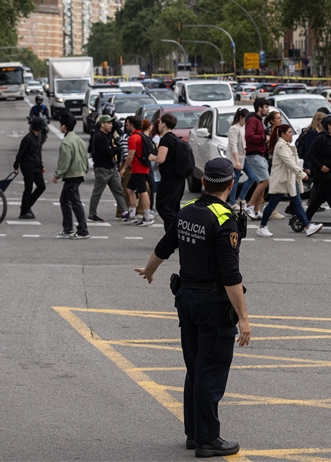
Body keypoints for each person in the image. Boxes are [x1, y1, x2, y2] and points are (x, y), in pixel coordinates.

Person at [134, 158, 251, 458]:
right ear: (230, 184)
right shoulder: (224, 220)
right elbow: (230, 275)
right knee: (210, 371)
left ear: (202, 182)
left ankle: (193, 433)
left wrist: (150, 270)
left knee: (196, 367)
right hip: (212, 304)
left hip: (186, 299)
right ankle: (208, 439)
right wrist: (244, 319)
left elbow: (165, 245)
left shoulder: (187, 211)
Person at [257, 125, 322, 238]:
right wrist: (301, 174)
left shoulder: (285, 145)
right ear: (283, 134)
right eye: (289, 132)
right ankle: (262, 227)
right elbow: (289, 163)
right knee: (273, 203)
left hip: (288, 179)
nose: (291, 134)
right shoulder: (281, 146)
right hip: (281, 180)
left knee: (297, 202)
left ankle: (307, 227)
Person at [52, 113, 90, 239]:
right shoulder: (79, 140)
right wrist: (84, 171)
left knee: (75, 202)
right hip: (79, 174)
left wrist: (57, 175)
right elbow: (85, 158)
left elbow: (64, 162)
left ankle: (83, 230)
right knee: (65, 200)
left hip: (71, 175)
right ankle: (68, 228)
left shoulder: (66, 142)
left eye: (60, 124)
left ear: (64, 126)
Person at [305, 114, 331, 221]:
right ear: (329, 126)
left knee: (320, 196)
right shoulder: (321, 138)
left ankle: (305, 218)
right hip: (324, 173)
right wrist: (320, 166)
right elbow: (311, 154)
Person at [88, 114, 128, 223]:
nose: (111, 125)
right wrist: (113, 148)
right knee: (98, 192)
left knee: (118, 190)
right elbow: (108, 152)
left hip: (112, 168)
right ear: (102, 124)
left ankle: (124, 212)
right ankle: (92, 213)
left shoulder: (110, 136)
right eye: (108, 123)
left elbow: (118, 148)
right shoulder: (99, 137)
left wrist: (114, 148)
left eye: (111, 123)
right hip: (102, 168)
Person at [149, 113, 184, 231]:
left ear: (163, 124)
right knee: (173, 207)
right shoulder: (175, 138)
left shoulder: (165, 140)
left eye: (159, 123)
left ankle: (178, 228)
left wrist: (152, 157)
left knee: (162, 206)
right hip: (179, 178)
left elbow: (160, 159)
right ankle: (171, 236)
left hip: (169, 179)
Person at [120, 116, 155, 226]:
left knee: (142, 192)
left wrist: (124, 168)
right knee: (130, 189)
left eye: (127, 124)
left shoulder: (133, 138)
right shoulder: (142, 135)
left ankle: (147, 217)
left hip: (137, 168)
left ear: (131, 125)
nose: (126, 126)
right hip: (142, 167)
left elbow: (130, 155)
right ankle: (132, 214)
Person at [14, 117, 47, 219]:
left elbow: (38, 153)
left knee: (41, 186)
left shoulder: (38, 137)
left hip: (36, 167)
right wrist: (16, 166)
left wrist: (41, 165)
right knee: (28, 188)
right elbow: (20, 153)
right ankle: (24, 211)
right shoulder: (28, 138)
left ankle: (26, 206)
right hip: (28, 167)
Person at [243, 98, 270, 219]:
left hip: (260, 153)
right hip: (254, 154)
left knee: (261, 182)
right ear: (260, 108)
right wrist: (263, 138)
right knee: (265, 181)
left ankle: (256, 210)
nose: (267, 109)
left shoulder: (258, 120)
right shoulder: (253, 120)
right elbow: (249, 136)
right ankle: (249, 205)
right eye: (266, 107)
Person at [226, 108, 255, 209]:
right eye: (246, 119)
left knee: (252, 177)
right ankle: (233, 203)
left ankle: (241, 197)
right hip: (236, 158)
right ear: (241, 117)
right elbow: (233, 145)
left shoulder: (243, 127)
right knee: (236, 179)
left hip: (244, 157)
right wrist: (237, 161)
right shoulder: (234, 128)